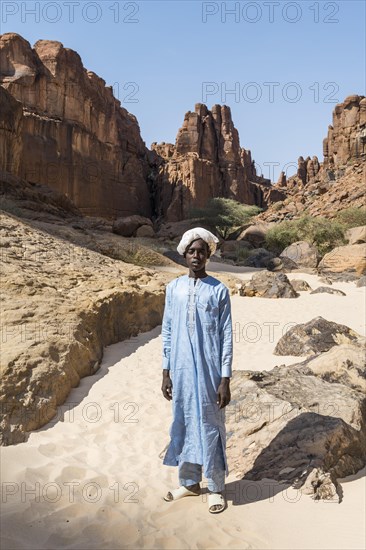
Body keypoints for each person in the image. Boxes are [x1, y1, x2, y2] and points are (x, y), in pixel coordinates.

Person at [161, 227, 233, 514]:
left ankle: (215, 487)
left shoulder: (219, 290)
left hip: (210, 370)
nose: (196, 256)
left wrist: (225, 378)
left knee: (210, 424)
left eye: (202, 251)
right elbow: (167, 331)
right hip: (180, 370)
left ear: (208, 255)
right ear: (184, 254)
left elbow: (226, 335)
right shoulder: (173, 288)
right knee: (185, 421)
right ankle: (189, 482)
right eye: (192, 251)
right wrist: (166, 371)